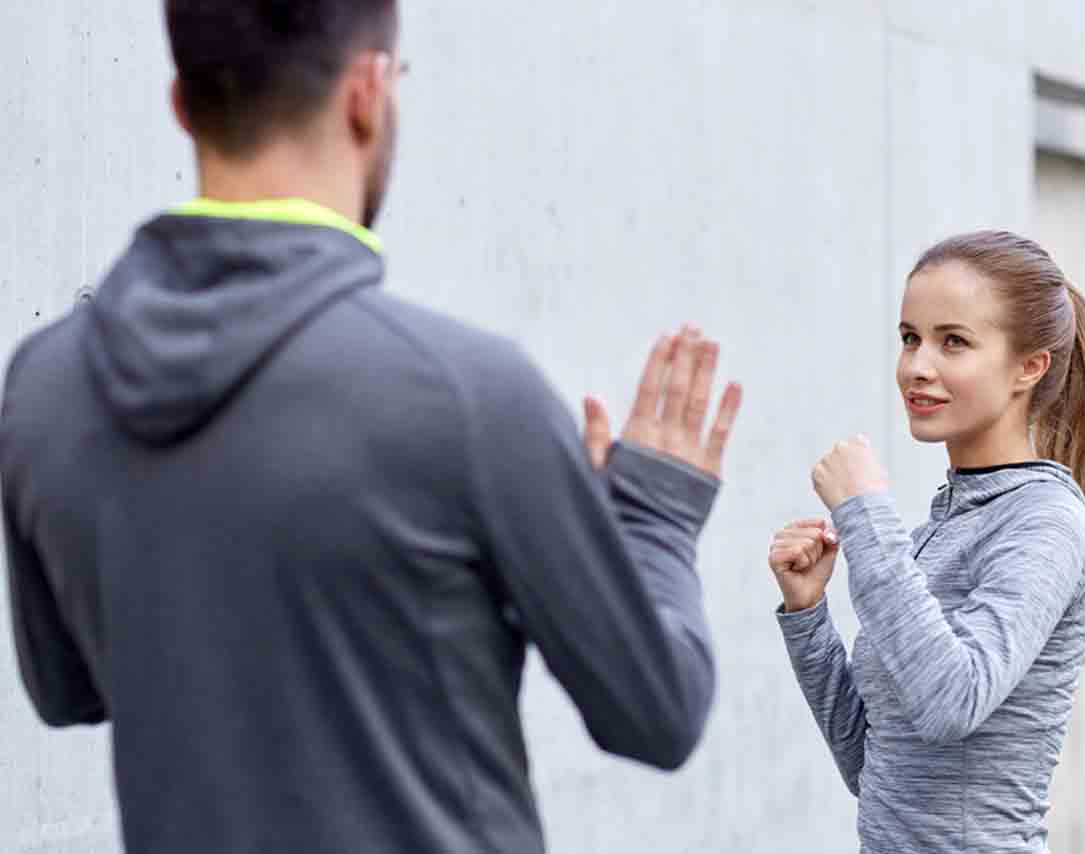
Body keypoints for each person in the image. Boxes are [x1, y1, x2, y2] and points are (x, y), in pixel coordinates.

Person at [0, 2, 743, 852]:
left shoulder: (46, 386)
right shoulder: (467, 396)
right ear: (367, 89)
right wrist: (652, 517)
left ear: (182, 104)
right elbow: (658, 712)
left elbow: (64, 690)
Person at [767, 230, 1085, 854]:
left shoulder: (1047, 522)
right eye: (910, 338)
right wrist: (808, 614)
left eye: (952, 341)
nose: (917, 366)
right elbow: (873, 767)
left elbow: (951, 700)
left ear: (1029, 367)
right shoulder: (937, 532)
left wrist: (865, 516)